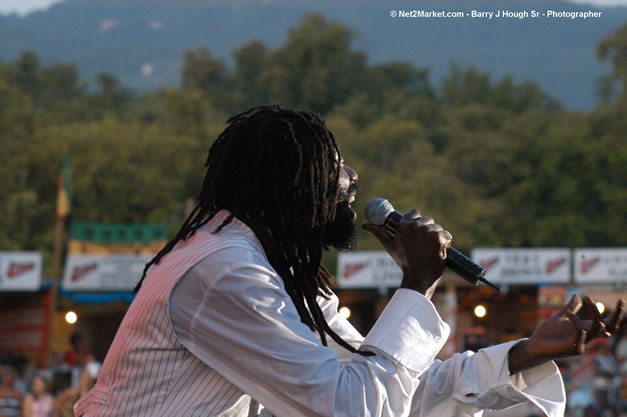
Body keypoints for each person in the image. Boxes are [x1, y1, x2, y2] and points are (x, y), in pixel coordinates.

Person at [74, 105, 623, 417]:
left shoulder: (277, 273)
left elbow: (390, 386)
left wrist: (525, 353)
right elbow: (352, 410)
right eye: (335, 165)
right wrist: (416, 283)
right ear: (291, 184)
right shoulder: (225, 270)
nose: (353, 179)